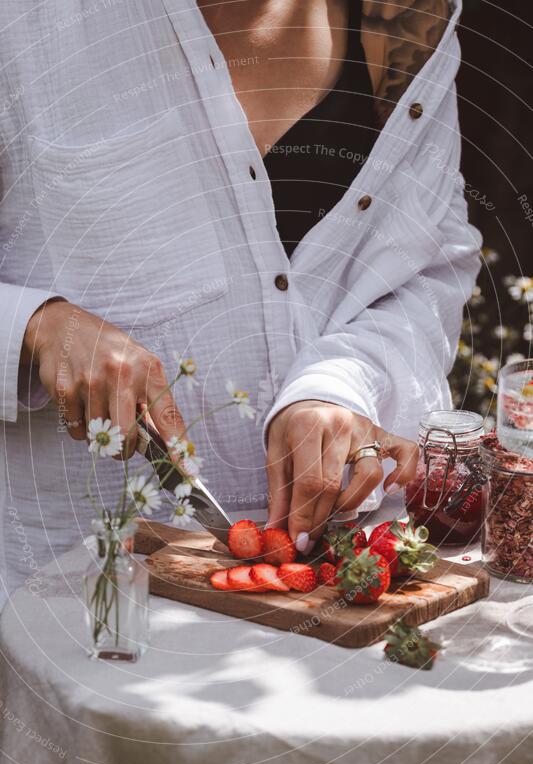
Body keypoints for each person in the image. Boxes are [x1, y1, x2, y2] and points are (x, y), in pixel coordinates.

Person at [0, 0, 481, 607]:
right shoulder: (23, 24)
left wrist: (340, 385)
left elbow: (432, 263)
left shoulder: (410, 19)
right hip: (82, 612)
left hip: (344, 593)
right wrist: (33, 326)